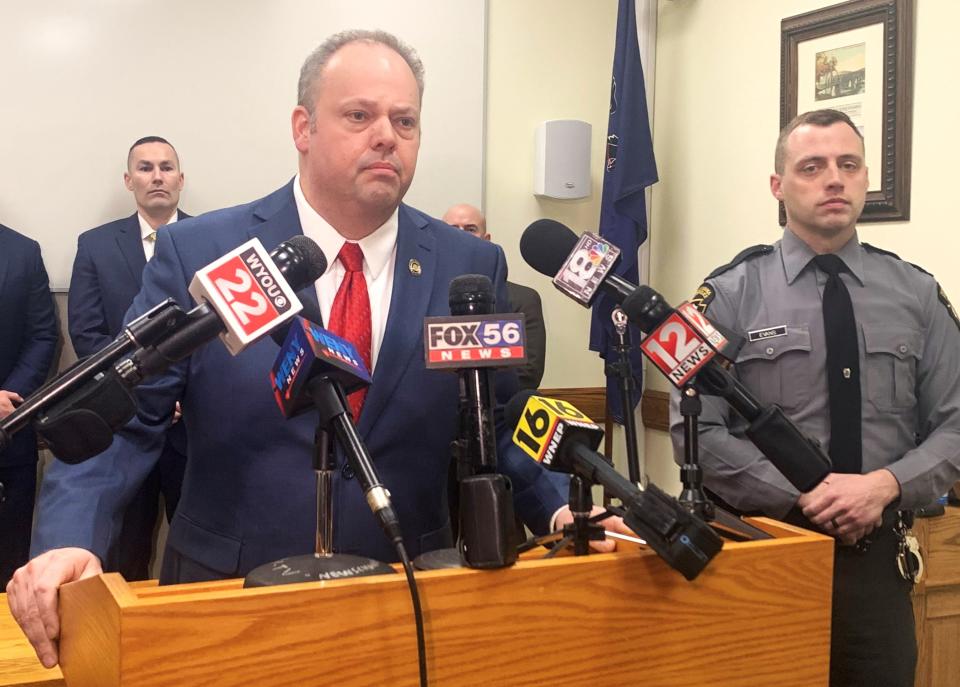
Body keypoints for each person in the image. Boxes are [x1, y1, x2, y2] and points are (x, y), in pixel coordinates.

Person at [8, 29, 628, 669]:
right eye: (359, 115)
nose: (386, 134)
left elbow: (495, 421)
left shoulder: (467, 266)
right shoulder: (205, 253)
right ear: (303, 127)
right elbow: (123, 421)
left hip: (411, 601)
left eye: (405, 120)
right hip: (229, 602)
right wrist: (67, 542)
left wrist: (563, 507)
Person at [670, 109, 960, 686]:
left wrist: (885, 485)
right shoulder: (727, 295)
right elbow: (696, 431)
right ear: (778, 187)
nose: (834, 179)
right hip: (766, 554)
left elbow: (956, 422)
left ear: (865, 179)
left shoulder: (917, 293)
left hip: (877, 562)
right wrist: (806, 496)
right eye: (812, 166)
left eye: (848, 164)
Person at [67, 136, 190, 581]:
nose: (156, 176)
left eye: (165, 167)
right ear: (128, 180)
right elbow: (86, 334)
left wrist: (181, 394)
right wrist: (143, 391)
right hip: (126, 420)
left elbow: (225, 330)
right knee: (127, 553)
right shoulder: (96, 245)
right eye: (145, 168)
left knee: (197, 550)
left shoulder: (210, 239)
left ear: (181, 178)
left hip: (194, 427)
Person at [0, 224, 59, 588]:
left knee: (9, 564)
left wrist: (10, 395)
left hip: (9, 433)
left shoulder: (23, 251)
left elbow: (42, 334)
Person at [442, 203, 546, 389]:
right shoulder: (426, 295)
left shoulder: (523, 299)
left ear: (487, 239)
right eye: (452, 230)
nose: (461, 236)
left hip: (500, 410)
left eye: (470, 229)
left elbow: (527, 374)